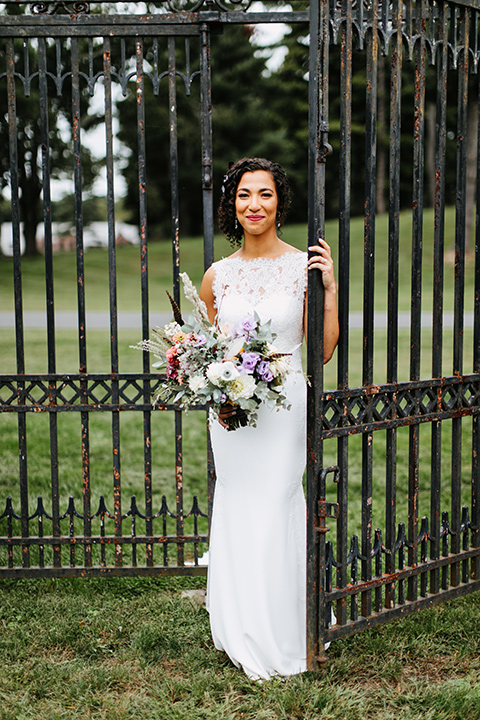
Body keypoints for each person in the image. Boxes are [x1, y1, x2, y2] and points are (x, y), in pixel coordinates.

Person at [200, 157, 339, 681]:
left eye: (263, 194)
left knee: (279, 500)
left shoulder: (300, 266)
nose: (253, 205)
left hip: (283, 407)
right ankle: (239, 624)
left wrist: (330, 285)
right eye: (242, 195)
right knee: (237, 502)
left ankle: (285, 628)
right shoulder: (220, 274)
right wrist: (211, 377)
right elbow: (204, 344)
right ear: (232, 205)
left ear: (279, 201)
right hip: (233, 414)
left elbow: (322, 349)